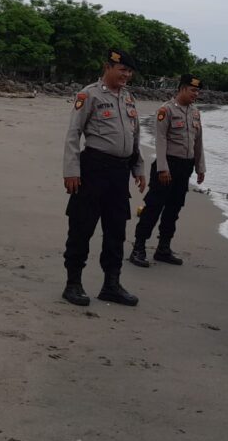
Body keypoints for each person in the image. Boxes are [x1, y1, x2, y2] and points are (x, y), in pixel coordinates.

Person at [61, 48, 147, 307]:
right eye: (122, 70)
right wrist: (71, 171)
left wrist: (138, 168)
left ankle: (111, 285)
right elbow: (73, 133)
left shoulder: (128, 98)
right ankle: (73, 284)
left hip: (119, 173)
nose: (126, 75)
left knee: (116, 231)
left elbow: (134, 136)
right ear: (107, 67)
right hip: (93, 170)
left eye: (129, 71)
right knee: (82, 227)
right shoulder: (89, 95)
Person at [129, 74, 206, 268]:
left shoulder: (195, 113)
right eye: (193, 90)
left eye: (197, 91)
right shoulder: (166, 110)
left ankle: (163, 248)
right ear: (182, 88)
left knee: (174, 208)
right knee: (153, 207)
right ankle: (138, 247)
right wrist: (163, 168)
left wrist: (200, 167)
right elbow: (161, 140)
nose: (195, 94)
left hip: (185, 167)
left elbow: (198, 142)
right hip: (167, 165)